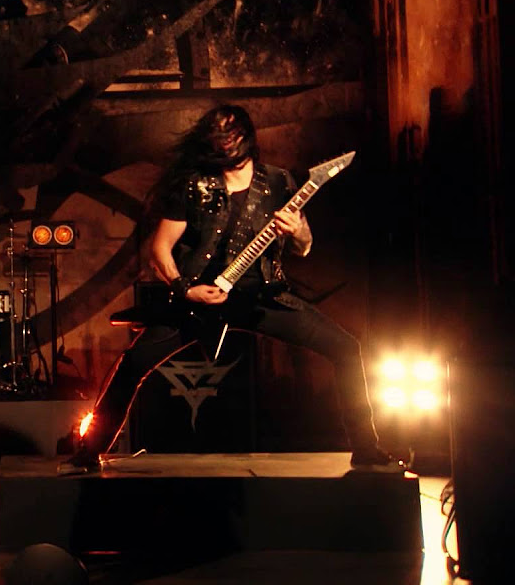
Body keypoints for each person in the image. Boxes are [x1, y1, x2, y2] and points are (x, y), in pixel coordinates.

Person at [62, 105, 402, 474]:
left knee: (346, 347)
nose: (225, 140)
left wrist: (297, 231)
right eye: (218, 132)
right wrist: (185, 288)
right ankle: (89, 453)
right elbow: (159, 248)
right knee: (132, 365)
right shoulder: (193, 185)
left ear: (247, 136)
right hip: (198, 300)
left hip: (262, 297)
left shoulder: (279, 183)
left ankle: (367, 450)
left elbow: (304, 247)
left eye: (231, 131)